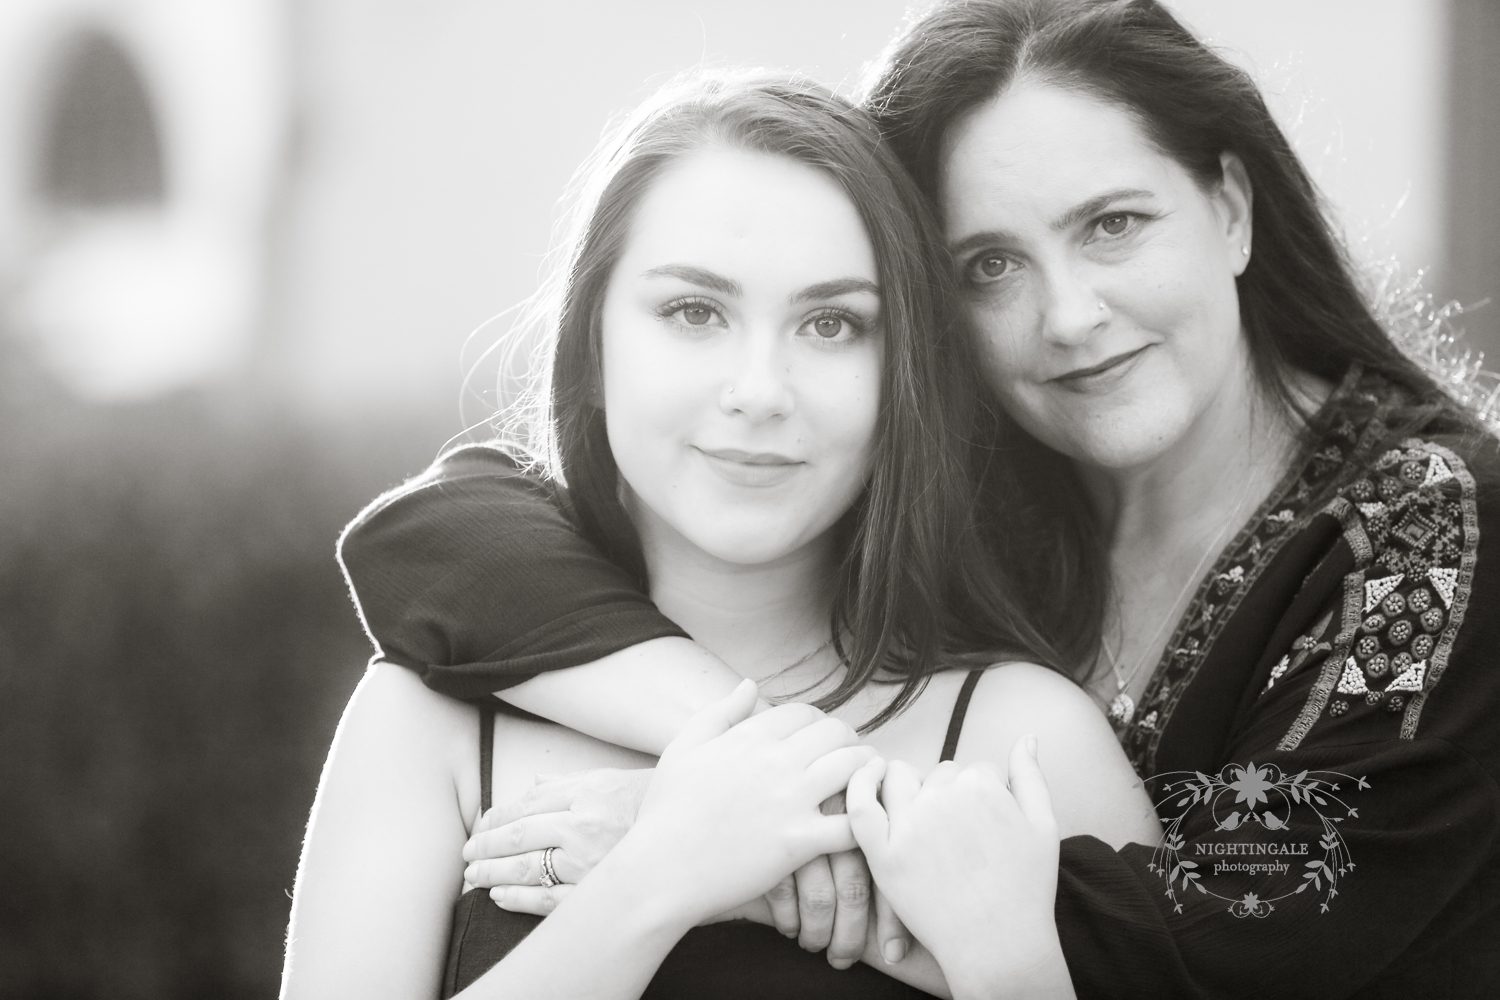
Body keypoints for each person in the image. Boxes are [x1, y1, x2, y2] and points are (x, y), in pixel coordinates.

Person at [335, 0, 1500, 996]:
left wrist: (756, 837)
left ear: (1232, 209)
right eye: (989, 264)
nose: (1068, 315)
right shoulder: (989, 484)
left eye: (1114, 225)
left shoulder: (1424, 528)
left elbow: (1266, 928)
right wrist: (746, 767)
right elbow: (434, 546)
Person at [282, 71, 1160, 1000]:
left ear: (903, 373)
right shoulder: (431, 724)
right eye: (694, 313)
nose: (760, 390)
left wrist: (1004, 963)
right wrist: (661, 875)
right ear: (591, 347)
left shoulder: (1027, 740)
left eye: (831, 324)